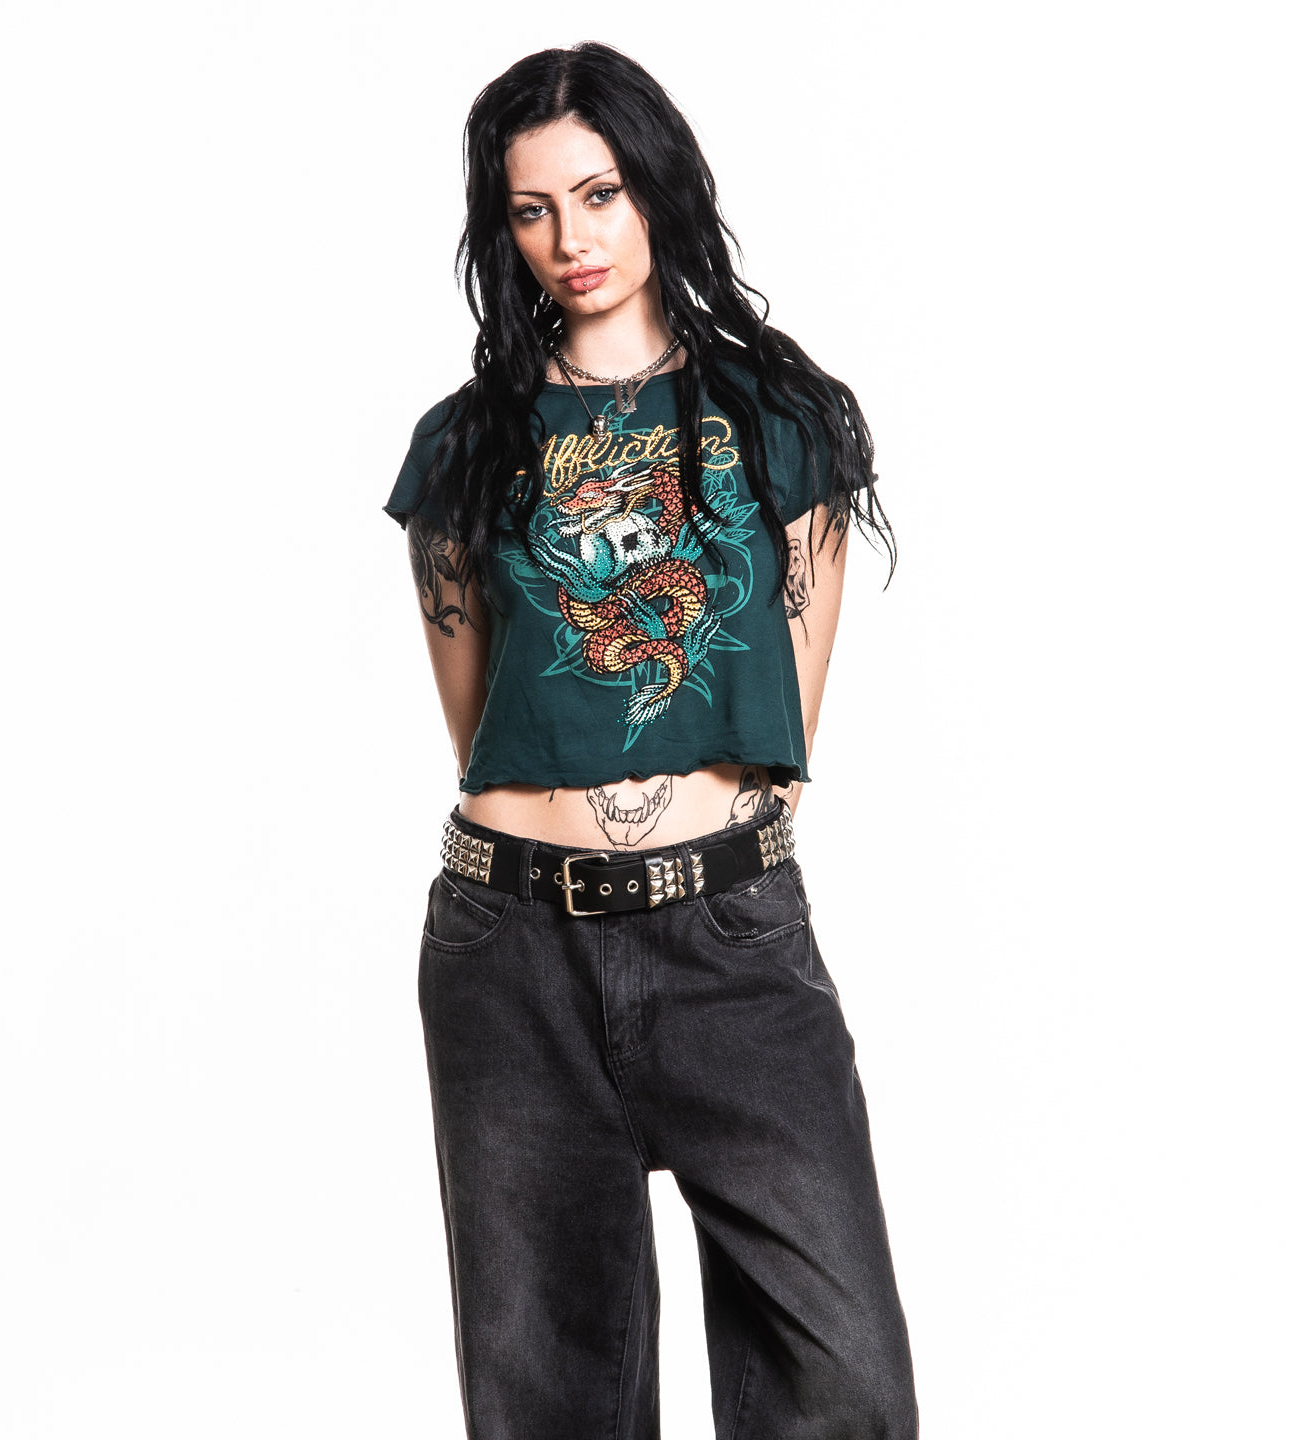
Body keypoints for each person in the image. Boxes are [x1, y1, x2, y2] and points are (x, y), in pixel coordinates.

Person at [384, 42, 916, 1440]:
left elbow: (789, 715)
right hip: (510, 950)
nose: (572, 237)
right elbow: (484, 726)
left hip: (729, 934)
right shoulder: (463, 450)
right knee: (549, 1401)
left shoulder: (781, 419)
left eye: (600, 193)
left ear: (658, 189)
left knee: (846, 1385)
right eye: (532, 209)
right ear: (501, 231)